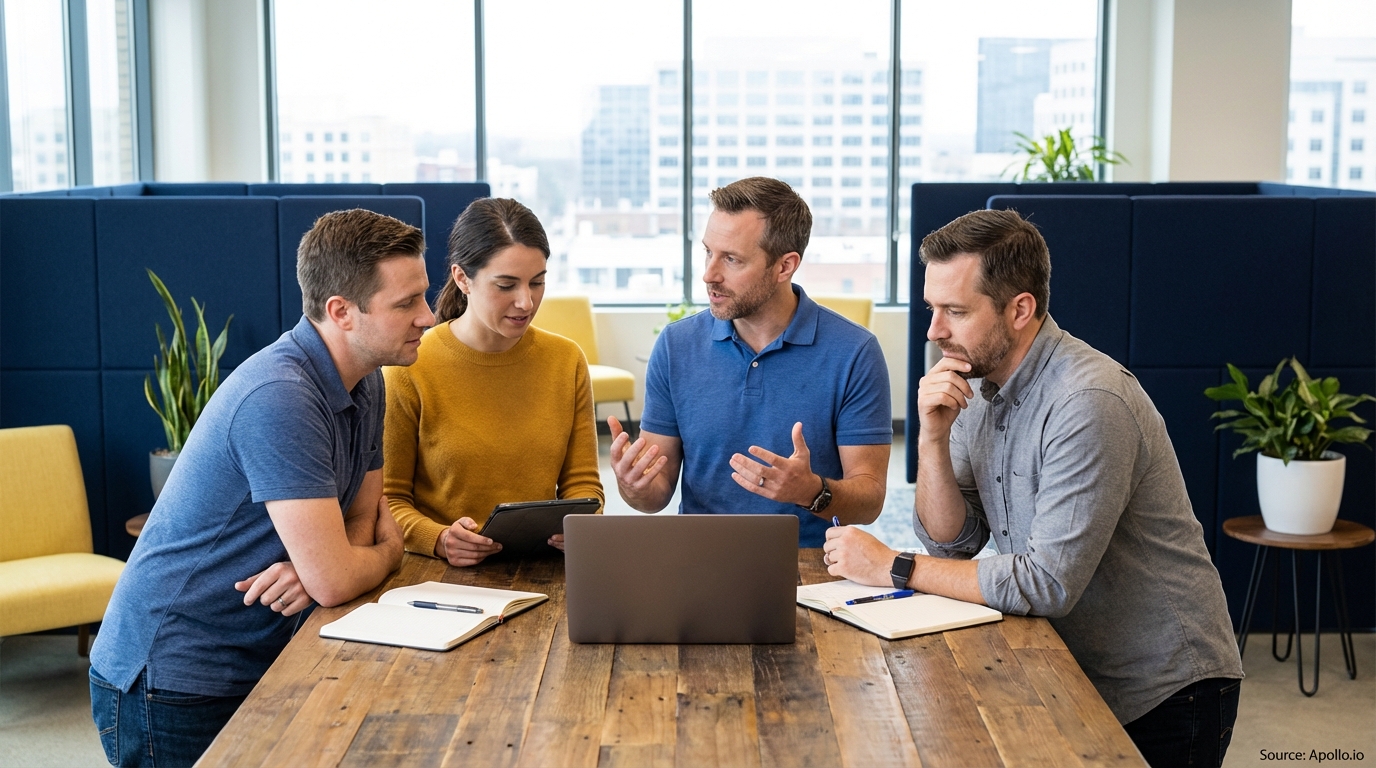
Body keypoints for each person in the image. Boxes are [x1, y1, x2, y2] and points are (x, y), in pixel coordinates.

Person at [823, 208, 1244, 767]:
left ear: (1020, 309)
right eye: (932, 309)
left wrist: (891, 568)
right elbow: (953, 544)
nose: (933, 331)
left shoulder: (1088, 401)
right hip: (1072, 667)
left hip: (1165, 688)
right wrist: (930, 441)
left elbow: (1046, 582)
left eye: (955, 311)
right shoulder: (975, 379)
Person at [89, 209, 431, 767]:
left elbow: (359, 524)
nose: (430, 316)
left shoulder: (367, 382)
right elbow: (351, 561)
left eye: (423, 295)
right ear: (341, 312)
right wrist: (386, 553)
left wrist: (330, 565)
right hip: (173, 676)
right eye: (406, 303)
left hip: (257, 654)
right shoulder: (280, 396)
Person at [610, 176, 892, 547]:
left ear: (784, 266)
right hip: (698, 556)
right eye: (708, 252)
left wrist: (810, 491)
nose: (709, 274)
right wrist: (633, 485)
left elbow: (869, 501)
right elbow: (655, 496)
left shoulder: (854, 352)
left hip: (808, 566)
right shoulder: (676, 346)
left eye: (731, 259)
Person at [383, 198, 603, 566]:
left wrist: (582, 524)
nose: (525, 302)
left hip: (543, 568)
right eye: (506, 285)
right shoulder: (410, 365)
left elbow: (583, 485)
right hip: (440, 573)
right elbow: (389, 500)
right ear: (462, 278)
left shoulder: (566, 360)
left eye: (537, 283)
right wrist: (438, 538)